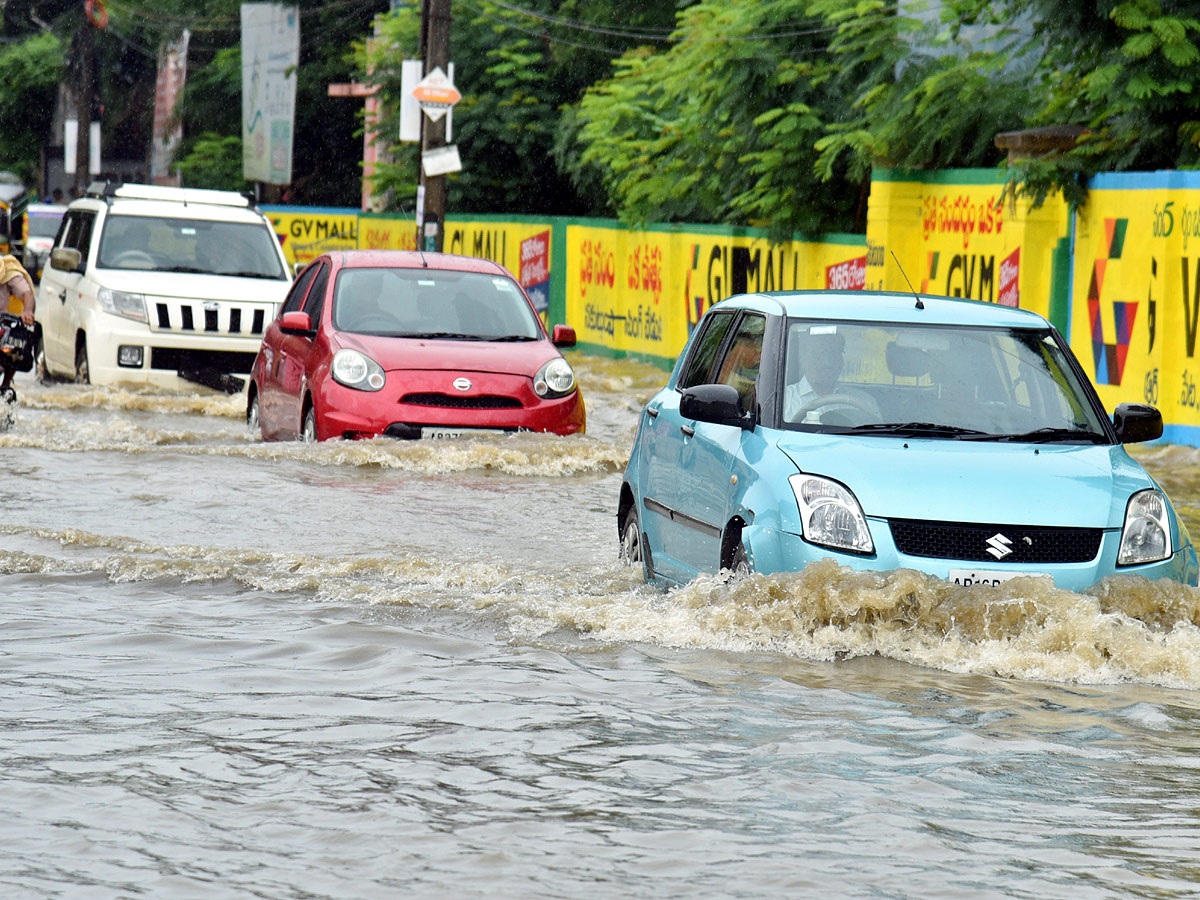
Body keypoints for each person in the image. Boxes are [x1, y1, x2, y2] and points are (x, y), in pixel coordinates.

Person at [783, 328, 880, 425]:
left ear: (842, 361)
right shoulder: (784, 403)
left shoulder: (865, 403)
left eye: (833, 354)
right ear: (803, 357)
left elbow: (878, 437)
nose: (827, 362)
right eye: (819, 354)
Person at [0, 254, 35, 403]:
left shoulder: (7, 270)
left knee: (18, 340)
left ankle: (6, 385)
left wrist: (27, 311)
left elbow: (27, 293)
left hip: (3, 325)